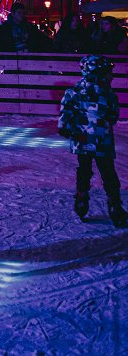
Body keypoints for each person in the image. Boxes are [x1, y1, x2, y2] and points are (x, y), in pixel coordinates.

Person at [58, 53, 126, 228]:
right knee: (107, 172)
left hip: (82, 140)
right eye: (106, 72)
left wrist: (67, 128)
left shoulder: (74, 92)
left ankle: (82, 199)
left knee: (85, 170)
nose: (110, 76)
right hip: (101, 140)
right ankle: (115, 206)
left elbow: (66, 113)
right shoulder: (107, 93)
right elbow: (113, 116)